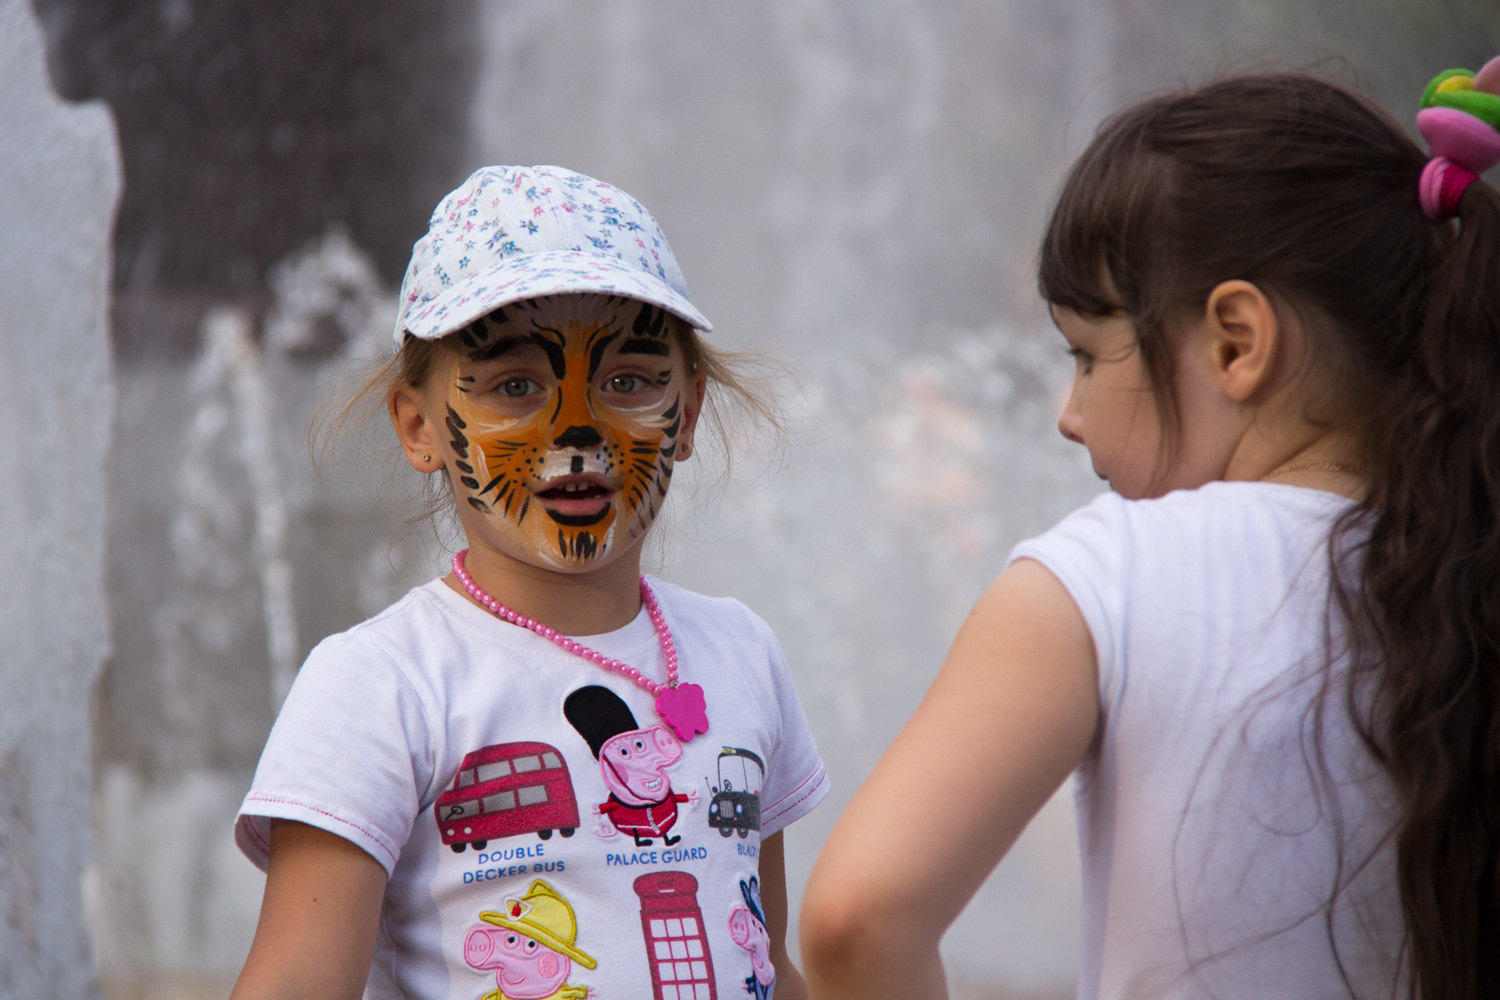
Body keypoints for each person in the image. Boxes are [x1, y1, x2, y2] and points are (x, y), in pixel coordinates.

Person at [800, 65, 1500, 1000]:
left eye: (1088, 355)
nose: (1069, 414)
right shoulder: (1470, 565)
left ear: (1236, 344)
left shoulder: (1105, 576)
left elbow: (857, 918)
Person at [230, 165, 829, 1000]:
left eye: (628, 381)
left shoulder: (741, 653)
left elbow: (765, 952)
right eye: (516, 387)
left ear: (686, 414)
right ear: (419, 427)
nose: (574, 429)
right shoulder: (380, 682)